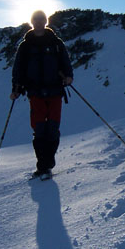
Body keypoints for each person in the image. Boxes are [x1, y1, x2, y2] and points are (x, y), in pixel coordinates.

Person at [10, 10, 73, 178]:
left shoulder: (56, 43)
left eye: (41, 19)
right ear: (31, 22)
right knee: (39, 129)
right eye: (35, 20)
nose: (38, 22)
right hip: (35, 91)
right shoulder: (25, 45)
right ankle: (43, 166)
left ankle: (47, 164)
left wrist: (68, 76)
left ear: (45, 22)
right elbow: (18, 68)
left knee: (52, 128)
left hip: (55, 91)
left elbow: (65, 62)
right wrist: (16, 87)